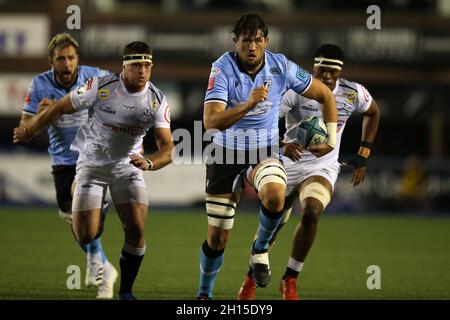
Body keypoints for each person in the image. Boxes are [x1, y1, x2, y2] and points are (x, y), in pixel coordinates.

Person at [13, 41, 174, 300]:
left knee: (136, 229)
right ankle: (99, 210)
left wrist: (150, 163)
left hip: (127, 167)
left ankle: (126, 292)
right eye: (137, 65)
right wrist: (30, 128)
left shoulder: (156, 100)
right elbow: (60, 106)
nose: (143, 71)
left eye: (147, 65)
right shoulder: (101, 87)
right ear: (125, 66)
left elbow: (168, 149)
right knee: (84, 234)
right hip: (93, 165)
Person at [197, 13, 338, 299]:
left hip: (262, 151)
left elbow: (326, 95)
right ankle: (204, 294)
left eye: (258, 40)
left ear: (266, 41)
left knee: (275, 194)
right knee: (217, 239)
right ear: (236, 41)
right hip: (224, 153)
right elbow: (211, 121)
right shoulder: (221, 69)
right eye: (246, 40)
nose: (252, 46)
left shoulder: (281, 66)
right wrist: (248, 104)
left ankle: (260, 251)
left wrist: (331, 139)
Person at [237, 44, 381, 300]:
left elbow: (373, 112)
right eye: (322, 69)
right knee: (273, 224)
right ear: (313, 67)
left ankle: (290, 278)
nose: (326, 76)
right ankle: (251, 277)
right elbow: (265, 123)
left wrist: (364, 152)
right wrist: (283, 143)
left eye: (332, 72)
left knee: (313, 211)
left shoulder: (351, 92)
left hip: (322, 166)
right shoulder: (295, 90)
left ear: (340, 72)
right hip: (287, 163)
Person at [19, 33, 117, 299]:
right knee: (73, 221)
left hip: (93, 156)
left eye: (70, 58)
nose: (66, 63)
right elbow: (23, 130)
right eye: (60, 59)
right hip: (62, 160)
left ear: (77, 60)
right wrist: (40, 116)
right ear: (51, 61)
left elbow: (120, 91)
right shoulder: (39, 84)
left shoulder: (94, 76)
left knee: (80, 199)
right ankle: (104, 268)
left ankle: (98, 260)